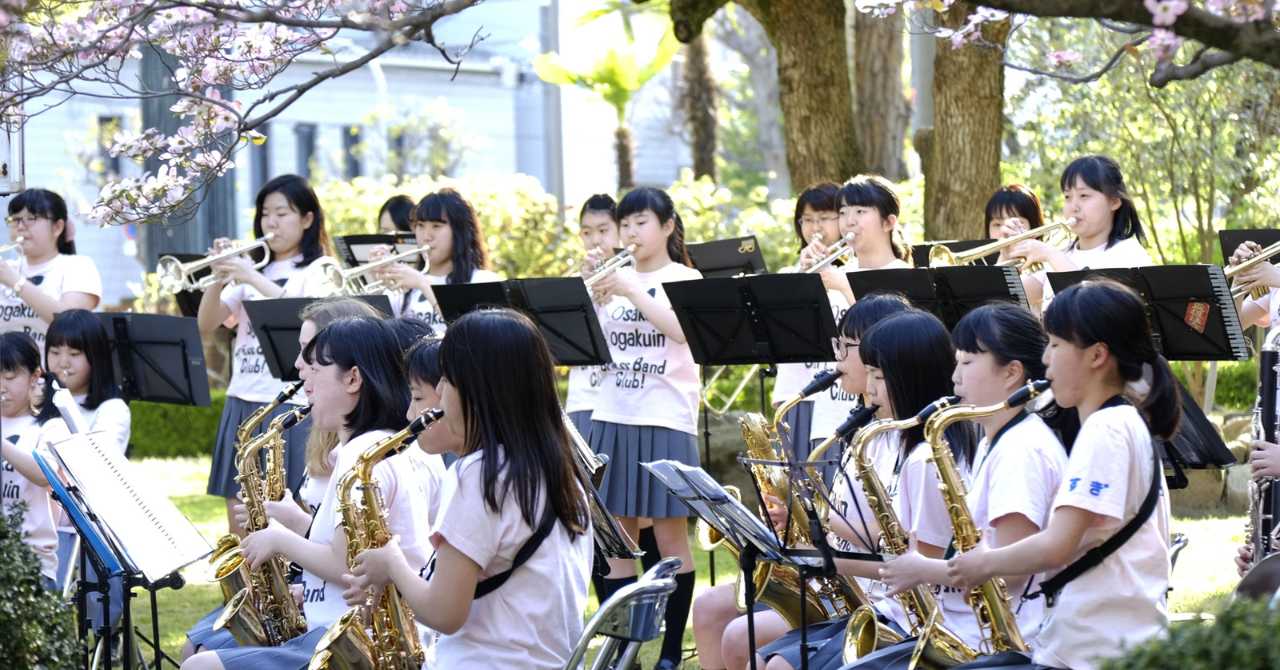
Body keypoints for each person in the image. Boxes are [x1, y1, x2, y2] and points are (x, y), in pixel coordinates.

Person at [181, 316, 445, 670]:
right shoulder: (364, 449)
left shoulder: (364, 455)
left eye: (316, 368)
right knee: (200, 654)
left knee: (201, 666)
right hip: (336, 627)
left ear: (353, 378)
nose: (301, 373)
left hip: (353, 640)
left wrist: (278, 540)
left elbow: (344, 564)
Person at [947, 280, 1181, 670]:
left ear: (1096, 355)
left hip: (1098, 650)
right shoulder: (1118, 423)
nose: (1046, 358)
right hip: (1096, 645)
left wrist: (981, 563)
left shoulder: (1106, 430)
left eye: (1055, 344)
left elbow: (1057, 545)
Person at [344, 308, 594, 669]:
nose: (440, 391)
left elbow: (445, 614)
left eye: (447, 378)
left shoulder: (481, 475)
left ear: (479, 389)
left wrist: (392, 565)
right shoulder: (562, 473)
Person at [692, 293, 911, 670]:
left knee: (739, 638)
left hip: (870, 594)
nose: (837, 358)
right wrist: (795, 520)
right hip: (842, 580)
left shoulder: (893, 439)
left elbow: (884, 539)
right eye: (836, 346)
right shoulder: (865, 430)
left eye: (847, 347)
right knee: (715, 613)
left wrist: (814, 523)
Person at [873, 303, 1068, 660]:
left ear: (1011, 373)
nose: (954, 378)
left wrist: (923, 570)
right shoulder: (996, 440)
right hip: (976, 632)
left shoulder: (1021, 452)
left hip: (1011, 643)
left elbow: (1007, 575)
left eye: (966, 363)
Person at [586, 186, 702, 670]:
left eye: (641, 223)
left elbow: (682, 332)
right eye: (626, 224)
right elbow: (588, 346)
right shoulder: (613, 278)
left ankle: (671, 652)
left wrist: (632, 288)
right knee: (616, 545)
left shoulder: (684, 276)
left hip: (664, 418)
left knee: (672, 543)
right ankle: (624, 655)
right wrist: (590, 293)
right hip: (612, 414)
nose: (632, 233)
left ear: (668, 227)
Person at [198, 174, 336, 536]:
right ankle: (244, 589)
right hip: (243, 396)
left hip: (291, 401)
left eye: (282, 213)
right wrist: (218, 277)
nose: (271, 223)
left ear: (307, 219)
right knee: (238, 502)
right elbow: (207, 322)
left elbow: (306, 315)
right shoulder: (251, 269)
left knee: (293, 502)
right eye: (265, 214)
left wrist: (249, 276)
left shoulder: (318, 270)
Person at [1006, 156, 1152, 310]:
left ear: (1114, 201)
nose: (1073, 207)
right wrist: (1007, 254)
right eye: (1067, 197)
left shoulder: (1129, 253)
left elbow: (1096, 307)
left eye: (1084, 196)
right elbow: (1009, 298)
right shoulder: (1063, 253)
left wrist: (1051, 254)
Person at [380, 189, 500, 336]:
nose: (426, 236)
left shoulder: (483, 280)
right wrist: (377, 279)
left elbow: (472, 337)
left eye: (436, 226)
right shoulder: (405, 284)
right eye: (420, 225)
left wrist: (424, 285)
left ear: (459, 231)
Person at [0, 188, 102, 350]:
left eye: (30, 219)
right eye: (15, 219)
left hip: (54, 373)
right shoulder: (7, 269)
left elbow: (69, 325)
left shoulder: (78, 266)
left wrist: (15, 282)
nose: (20, 227)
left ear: (57, 227)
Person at [0, 331, 59, 590]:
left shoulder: (50, 427)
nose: (2, 386)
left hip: (32, 565)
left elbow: (46, 475)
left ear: (35, 376)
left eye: (10, 377)